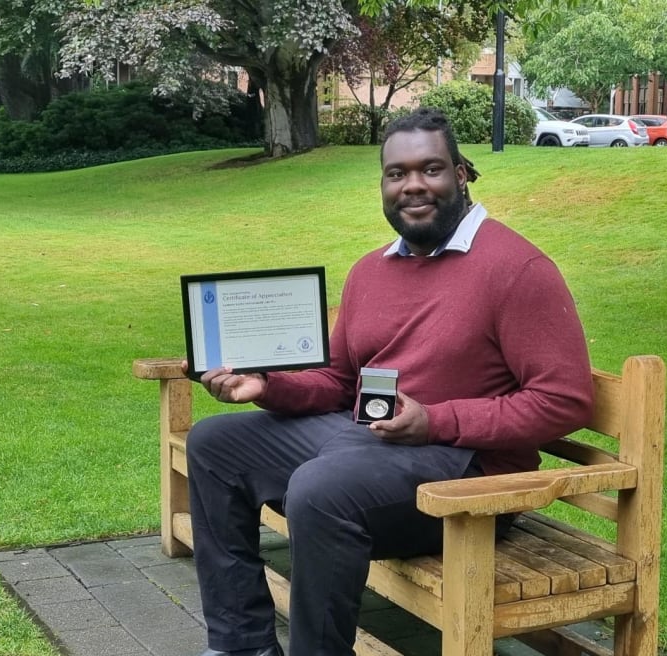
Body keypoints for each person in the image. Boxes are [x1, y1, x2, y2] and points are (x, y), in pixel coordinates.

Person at [185, 107, 594, 656]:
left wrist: (437, 421)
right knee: (215, 446)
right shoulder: (371, 270)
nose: (413, 186)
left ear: (462, 174)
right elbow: (338, 379)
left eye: (431, 169)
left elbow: (563, 401)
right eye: (397, 173)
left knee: (319, 491)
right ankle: (242, 646)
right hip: (365, 441)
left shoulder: (517, 270)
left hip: (463, 473)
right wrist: (268, 386)